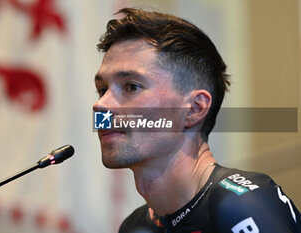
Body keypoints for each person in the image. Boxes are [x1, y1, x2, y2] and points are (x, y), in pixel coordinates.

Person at [93, 8, 301, 233]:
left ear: (194, 108)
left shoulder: (241, 206)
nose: (101, 105)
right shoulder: (135, 226)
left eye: (132, 86)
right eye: (102, 89)